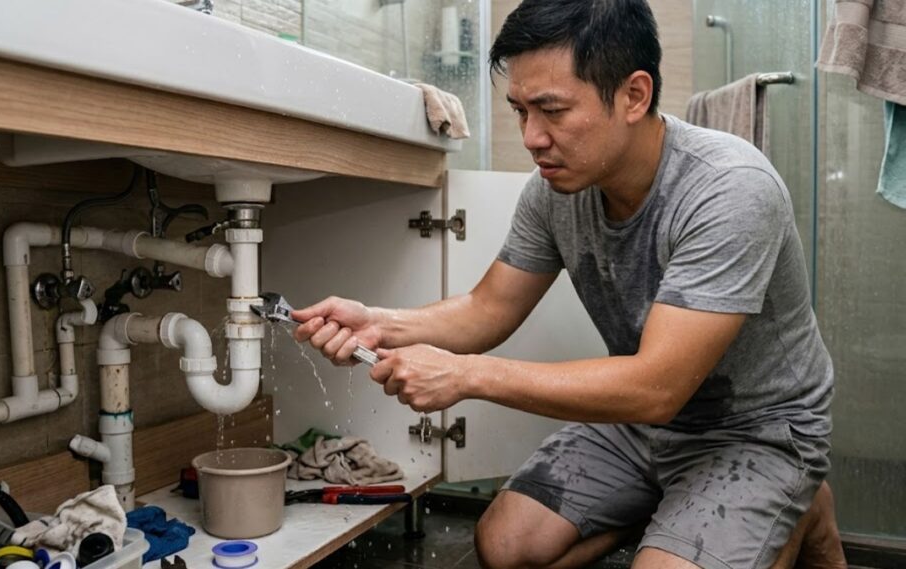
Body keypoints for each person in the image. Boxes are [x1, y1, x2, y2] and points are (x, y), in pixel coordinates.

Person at [291, 1, 847, 567]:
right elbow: (489, 308)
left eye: (552, 111)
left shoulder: (729, 190)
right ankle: (676, 512)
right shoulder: (555, 191)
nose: (533, 137)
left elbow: (658, 386)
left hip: (754, 431)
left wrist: (466, 375)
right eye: (520, 111)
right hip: (640, 426)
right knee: (504, 547)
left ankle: (793, 502)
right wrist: (381, 324)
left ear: (634, 95)